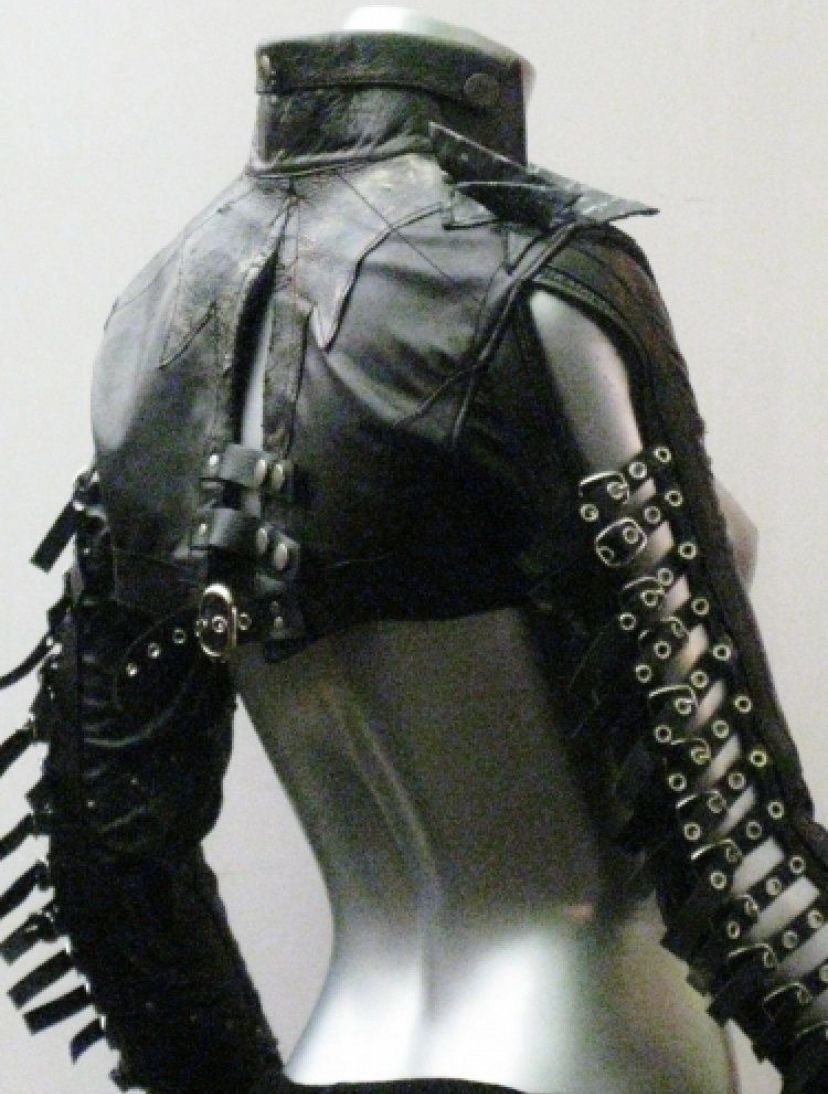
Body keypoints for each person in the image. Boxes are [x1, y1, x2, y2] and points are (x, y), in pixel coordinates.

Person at [1, 8, 826, 1093]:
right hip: (586, 1045)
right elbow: (723, 824)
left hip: (347, 1038)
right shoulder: (543, 287)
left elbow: (108, 835)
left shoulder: (153, 312)